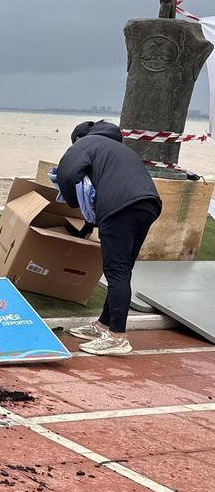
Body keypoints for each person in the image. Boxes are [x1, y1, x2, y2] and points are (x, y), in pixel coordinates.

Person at [56, 120, 161, 355]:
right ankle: (103, 324)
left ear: (78, 138)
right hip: (148, 205)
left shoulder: (86, 143)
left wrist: (72, 201)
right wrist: (91, 223)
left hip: (120, 208)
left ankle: (117, 336)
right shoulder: (119, 149)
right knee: (123, 268)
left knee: (116, 270)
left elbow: (67, 173)